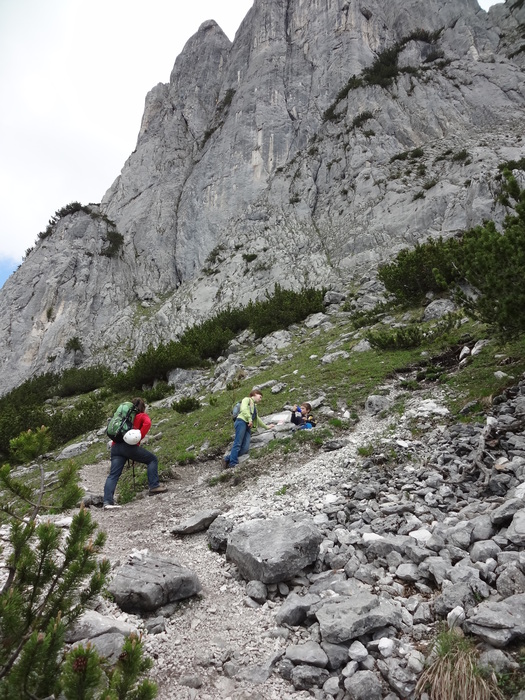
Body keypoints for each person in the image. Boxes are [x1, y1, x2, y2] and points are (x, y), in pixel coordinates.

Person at [103, 398, 167, 509]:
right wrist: (138, 437)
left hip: (115, 447)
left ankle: (107, 502)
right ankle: (154, 486)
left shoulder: (122, 416)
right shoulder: (141, 415)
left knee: (113, 475)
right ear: (143, 407)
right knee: (152, 460)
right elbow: (148, 423)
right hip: (128, 447)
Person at [222, 389, 275, 469]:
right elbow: (243, 409)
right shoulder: (246, 399)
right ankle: (233, 463)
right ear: (255, 394)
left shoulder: (254, 407)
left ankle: (227, 458)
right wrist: (250, 419)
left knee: (245, 448)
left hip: (247, 425)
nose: (260, 399)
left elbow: (257, 419)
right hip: (241, 422)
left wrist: (266, 427)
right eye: (260, 397)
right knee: (238, 443)